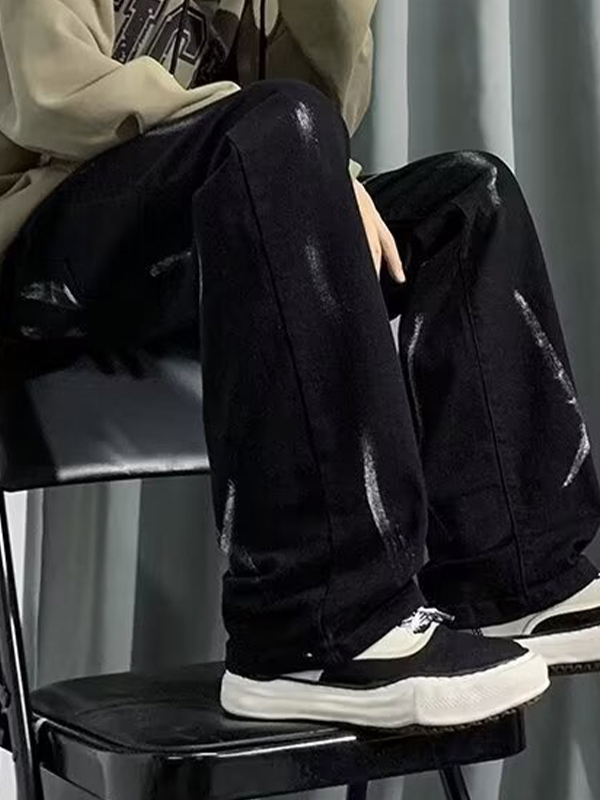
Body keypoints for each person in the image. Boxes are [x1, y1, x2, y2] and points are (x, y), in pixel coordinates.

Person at [1, 0, 599, 731]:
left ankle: (514, 578)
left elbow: (315, 120)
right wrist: (281, 138)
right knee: (278, 123)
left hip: (180, 243)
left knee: (466, 201)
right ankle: (309, 633)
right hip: (39, 258)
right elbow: (51, 92)